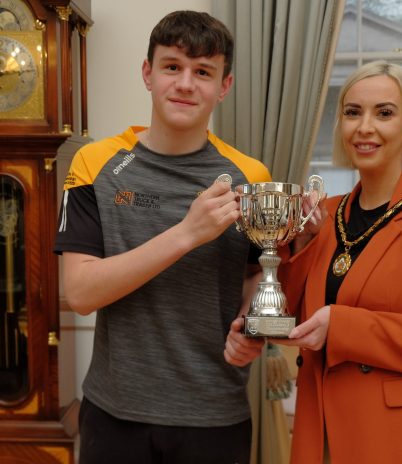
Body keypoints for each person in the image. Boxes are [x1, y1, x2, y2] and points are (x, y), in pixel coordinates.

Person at [54, 10, 268, 464]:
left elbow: (255, 275)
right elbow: (80, 292)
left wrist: (251, 325)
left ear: (223, 86)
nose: (186, 83)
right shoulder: (95, 164)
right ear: (148, 73)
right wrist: (187, 233)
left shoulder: (251, 177)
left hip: (215, 415)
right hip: (115, 415)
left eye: (203, 72)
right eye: (173, 66)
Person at [272, 61, 402, 463]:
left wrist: (344, 325)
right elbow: (288, 321)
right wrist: (299, 245)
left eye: (384, 113)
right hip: (321, 433)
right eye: (352, 112)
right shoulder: (326, 214)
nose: (364, 127)